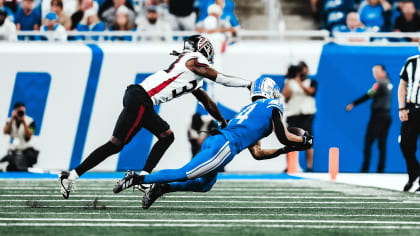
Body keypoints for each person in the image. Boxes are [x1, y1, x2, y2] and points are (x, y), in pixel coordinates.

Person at [59, 35, 252, 199]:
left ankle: (139, 177)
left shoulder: (192, 75)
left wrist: (222, 121)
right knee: (117, 143)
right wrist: (248, 84)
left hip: (141, 99)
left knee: (164, 136)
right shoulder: (193, 59)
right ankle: (73, 176)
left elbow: (208, 103)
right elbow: (221, 79)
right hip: (141, 98)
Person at [112, 77, 313, 209]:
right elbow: (284, 135)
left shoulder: (251, 110)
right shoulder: (272, 105)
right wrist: (301, 140)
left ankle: (161, 189)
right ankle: (137, 179)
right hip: (224, 146)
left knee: (204, 185)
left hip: (216, 141)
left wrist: (285, 149)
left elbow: (257, 152)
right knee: (185, 173)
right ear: (272, 92)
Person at [346, 65, 392, 173]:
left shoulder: (379, 84)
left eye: (377, 71)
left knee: (368, 142)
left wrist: (353, 103)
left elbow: (368, 95)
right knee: (382, 143)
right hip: (386, 116)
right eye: (373, 72)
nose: (375, 74)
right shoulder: (389, 83)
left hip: (378, 117)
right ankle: (381, 170)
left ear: (384, 72)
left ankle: (365, 169)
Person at [282, 62, 317, 172]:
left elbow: (311, 92)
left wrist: (299, 82)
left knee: (308, 141)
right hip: (293, 115)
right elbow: (285, 96)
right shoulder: (290, 82)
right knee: (290, 141)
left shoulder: (311, 82)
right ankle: (290, 166)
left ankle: (309, 166)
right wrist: (289, 80)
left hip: (306, 115)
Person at [398, 41, 420, 192]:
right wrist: (401, 107)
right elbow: (402, 85)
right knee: (405, 143)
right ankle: (414, 174)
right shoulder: (411, 61)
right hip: (412, 108)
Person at [0, 102, 38, 172]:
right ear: (15, 111)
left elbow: (29, 134)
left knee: (17, 165)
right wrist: (12, 118)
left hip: (26, 151)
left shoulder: (30, 120)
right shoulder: (10, 120)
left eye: (23, 111)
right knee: (3, 162)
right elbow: (5, 131)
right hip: (13, 151)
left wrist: (23, 121)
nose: (21, 113)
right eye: (19, 111)